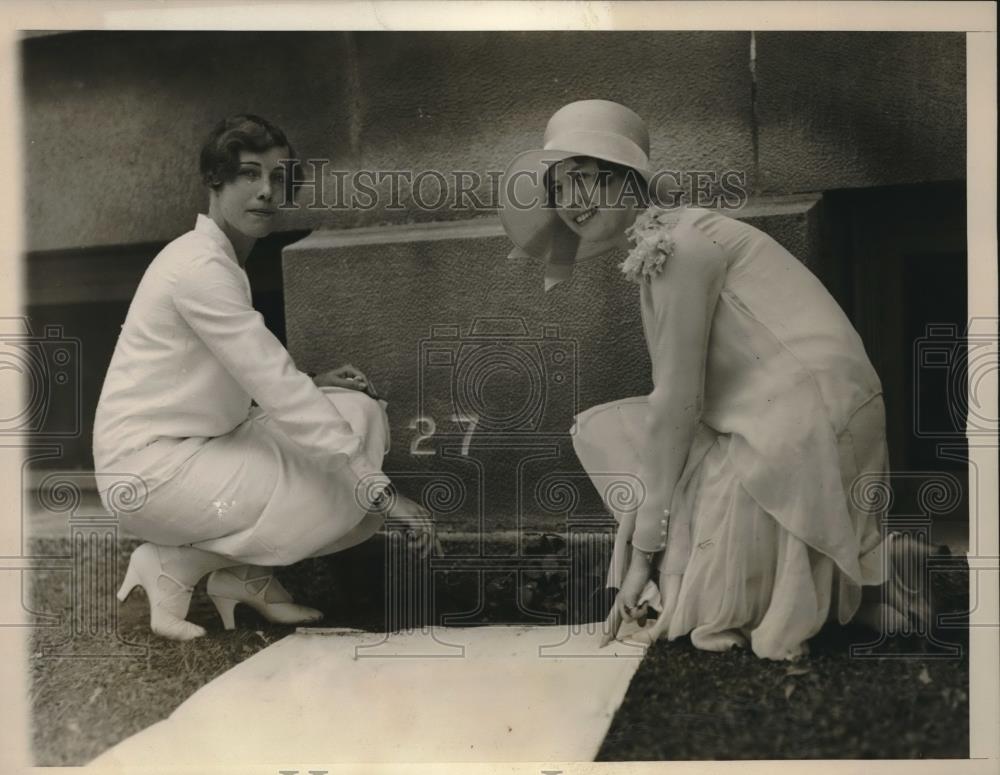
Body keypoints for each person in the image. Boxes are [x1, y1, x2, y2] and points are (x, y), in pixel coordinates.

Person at [499, 100, 926, 660]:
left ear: (626, 177)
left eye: (582, 178)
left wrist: (641, 558)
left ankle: (863, 576)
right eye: (557, 189)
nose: (570, 202)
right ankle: (865, 583)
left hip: (809, 422)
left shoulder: (678, 245)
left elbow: (678, 402)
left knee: (699, 583)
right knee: (609, 434)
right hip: (795, 414)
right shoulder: (668, 236)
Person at [94, 114, 431, 641]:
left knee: (358, 413)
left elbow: (238, 374)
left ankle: (242, 577)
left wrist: (313, 379)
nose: (267, 191)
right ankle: (180, 565)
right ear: (216, 180)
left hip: (194, 450)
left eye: (278, 177)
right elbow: (272, 381)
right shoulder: (199, 267)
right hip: (148, 472)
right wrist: (382, 491)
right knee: (347, 487)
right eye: (249, 174)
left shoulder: (219, 260)